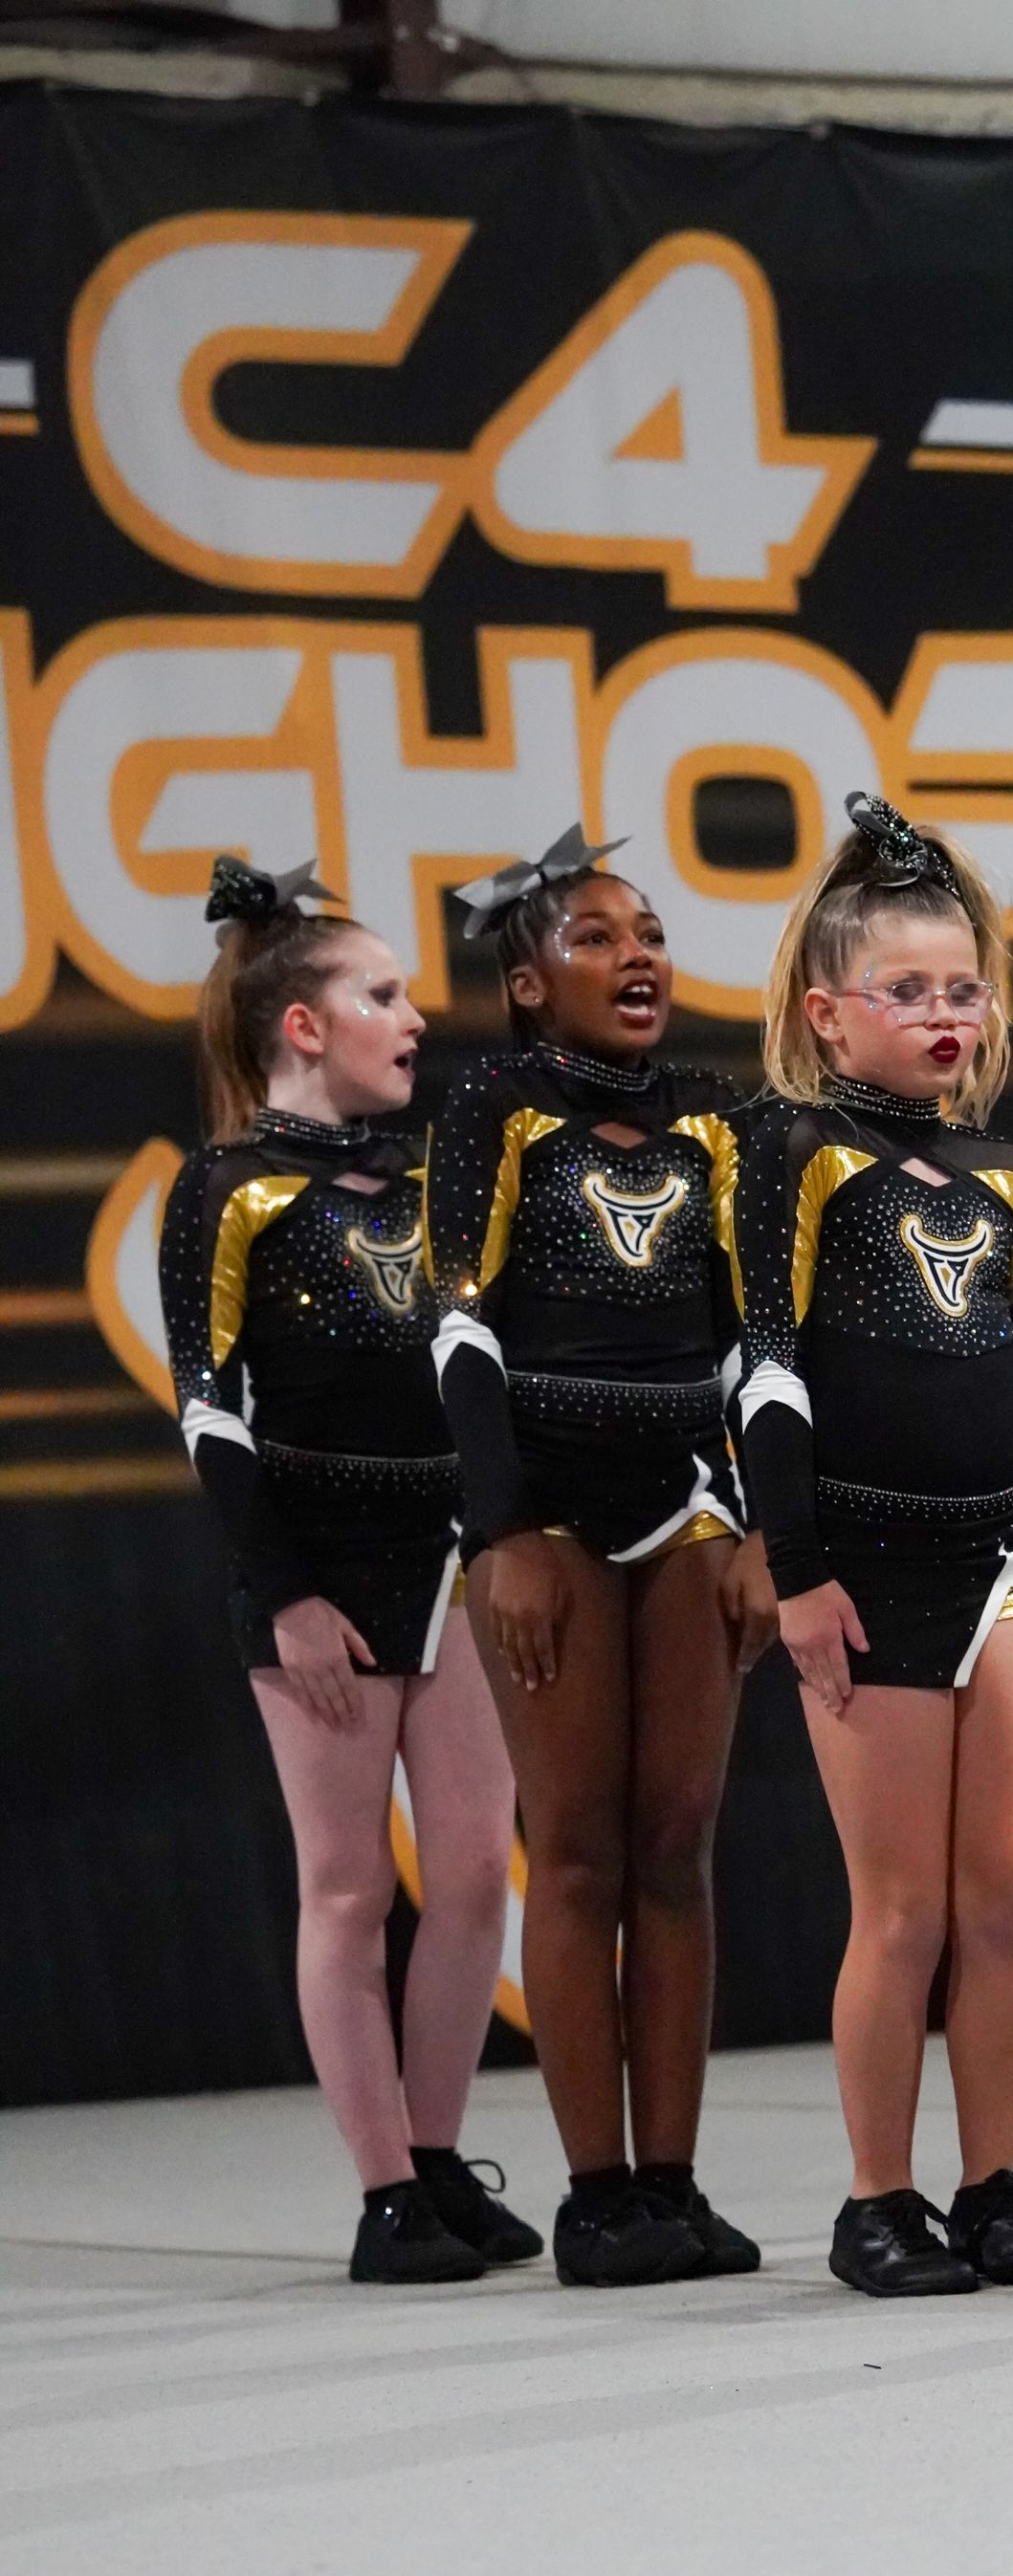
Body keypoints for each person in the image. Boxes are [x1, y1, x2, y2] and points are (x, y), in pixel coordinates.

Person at [160, 855, 539, 2286]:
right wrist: (286, 1594)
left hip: (446, 1555)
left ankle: (438, 2162)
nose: (410, 1018)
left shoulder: (431, 1175)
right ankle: (383, 2193)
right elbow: (211, 1409)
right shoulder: (230, 1188)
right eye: (381, 994)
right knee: (346, 1891)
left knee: (468, 1876)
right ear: (302, 1026)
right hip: (314, 1563)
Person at [736, 793, 1013, 2300]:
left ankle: (994, 2180)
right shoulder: (790, 1151)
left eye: (964, 990)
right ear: (827, 1016)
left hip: (1002, 1563)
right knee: (906, 1907)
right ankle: (878, 2195)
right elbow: (764, 1372)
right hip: (863, 1572)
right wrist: (794, 1567)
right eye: (908, 992)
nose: (945, 1015)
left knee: (1003, 1896)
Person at [425, 827, 775, 2289]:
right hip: (550, 1518)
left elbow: (761, 1339)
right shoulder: (491, 1117)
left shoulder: (715, 1126)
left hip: (690, 1504)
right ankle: (593, 2188)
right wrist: (501, 1528)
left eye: (651, 934)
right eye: (596, 939)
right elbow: (456, 1326)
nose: (639, 957)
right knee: (573, 1849)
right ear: (524, 981)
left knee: (677, 1846)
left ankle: (675, 2182)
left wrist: (763, 1520)